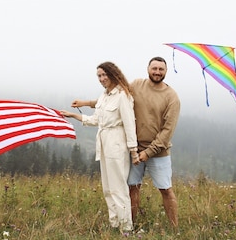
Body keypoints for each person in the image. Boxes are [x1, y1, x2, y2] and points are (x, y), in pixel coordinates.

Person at [72, 56, 180, 228]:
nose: (157, 72)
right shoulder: (137, 85)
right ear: (148, 69)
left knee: (165, 190)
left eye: (161, 69)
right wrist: (86, 103)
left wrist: (148, 153)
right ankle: (130, 225)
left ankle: (175, 228)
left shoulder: (171, 97)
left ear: (166, 71)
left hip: (158, 153)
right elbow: (114, 96)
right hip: (135, 149)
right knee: (131, 188)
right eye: (154, 68)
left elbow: (167, 132)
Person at [60, 62, 139, 233]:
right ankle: (115, 224)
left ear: (113, 74)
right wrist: (74, 115)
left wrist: (133, 151)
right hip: (103, 143)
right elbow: (96, 120)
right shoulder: (104, 96)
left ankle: (126, 228)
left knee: (118, 188)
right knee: (108, 188)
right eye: (99, 76)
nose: (102, 79)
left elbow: (129, 124)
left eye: (105, 75)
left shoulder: (123, 95)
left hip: (117, 144)